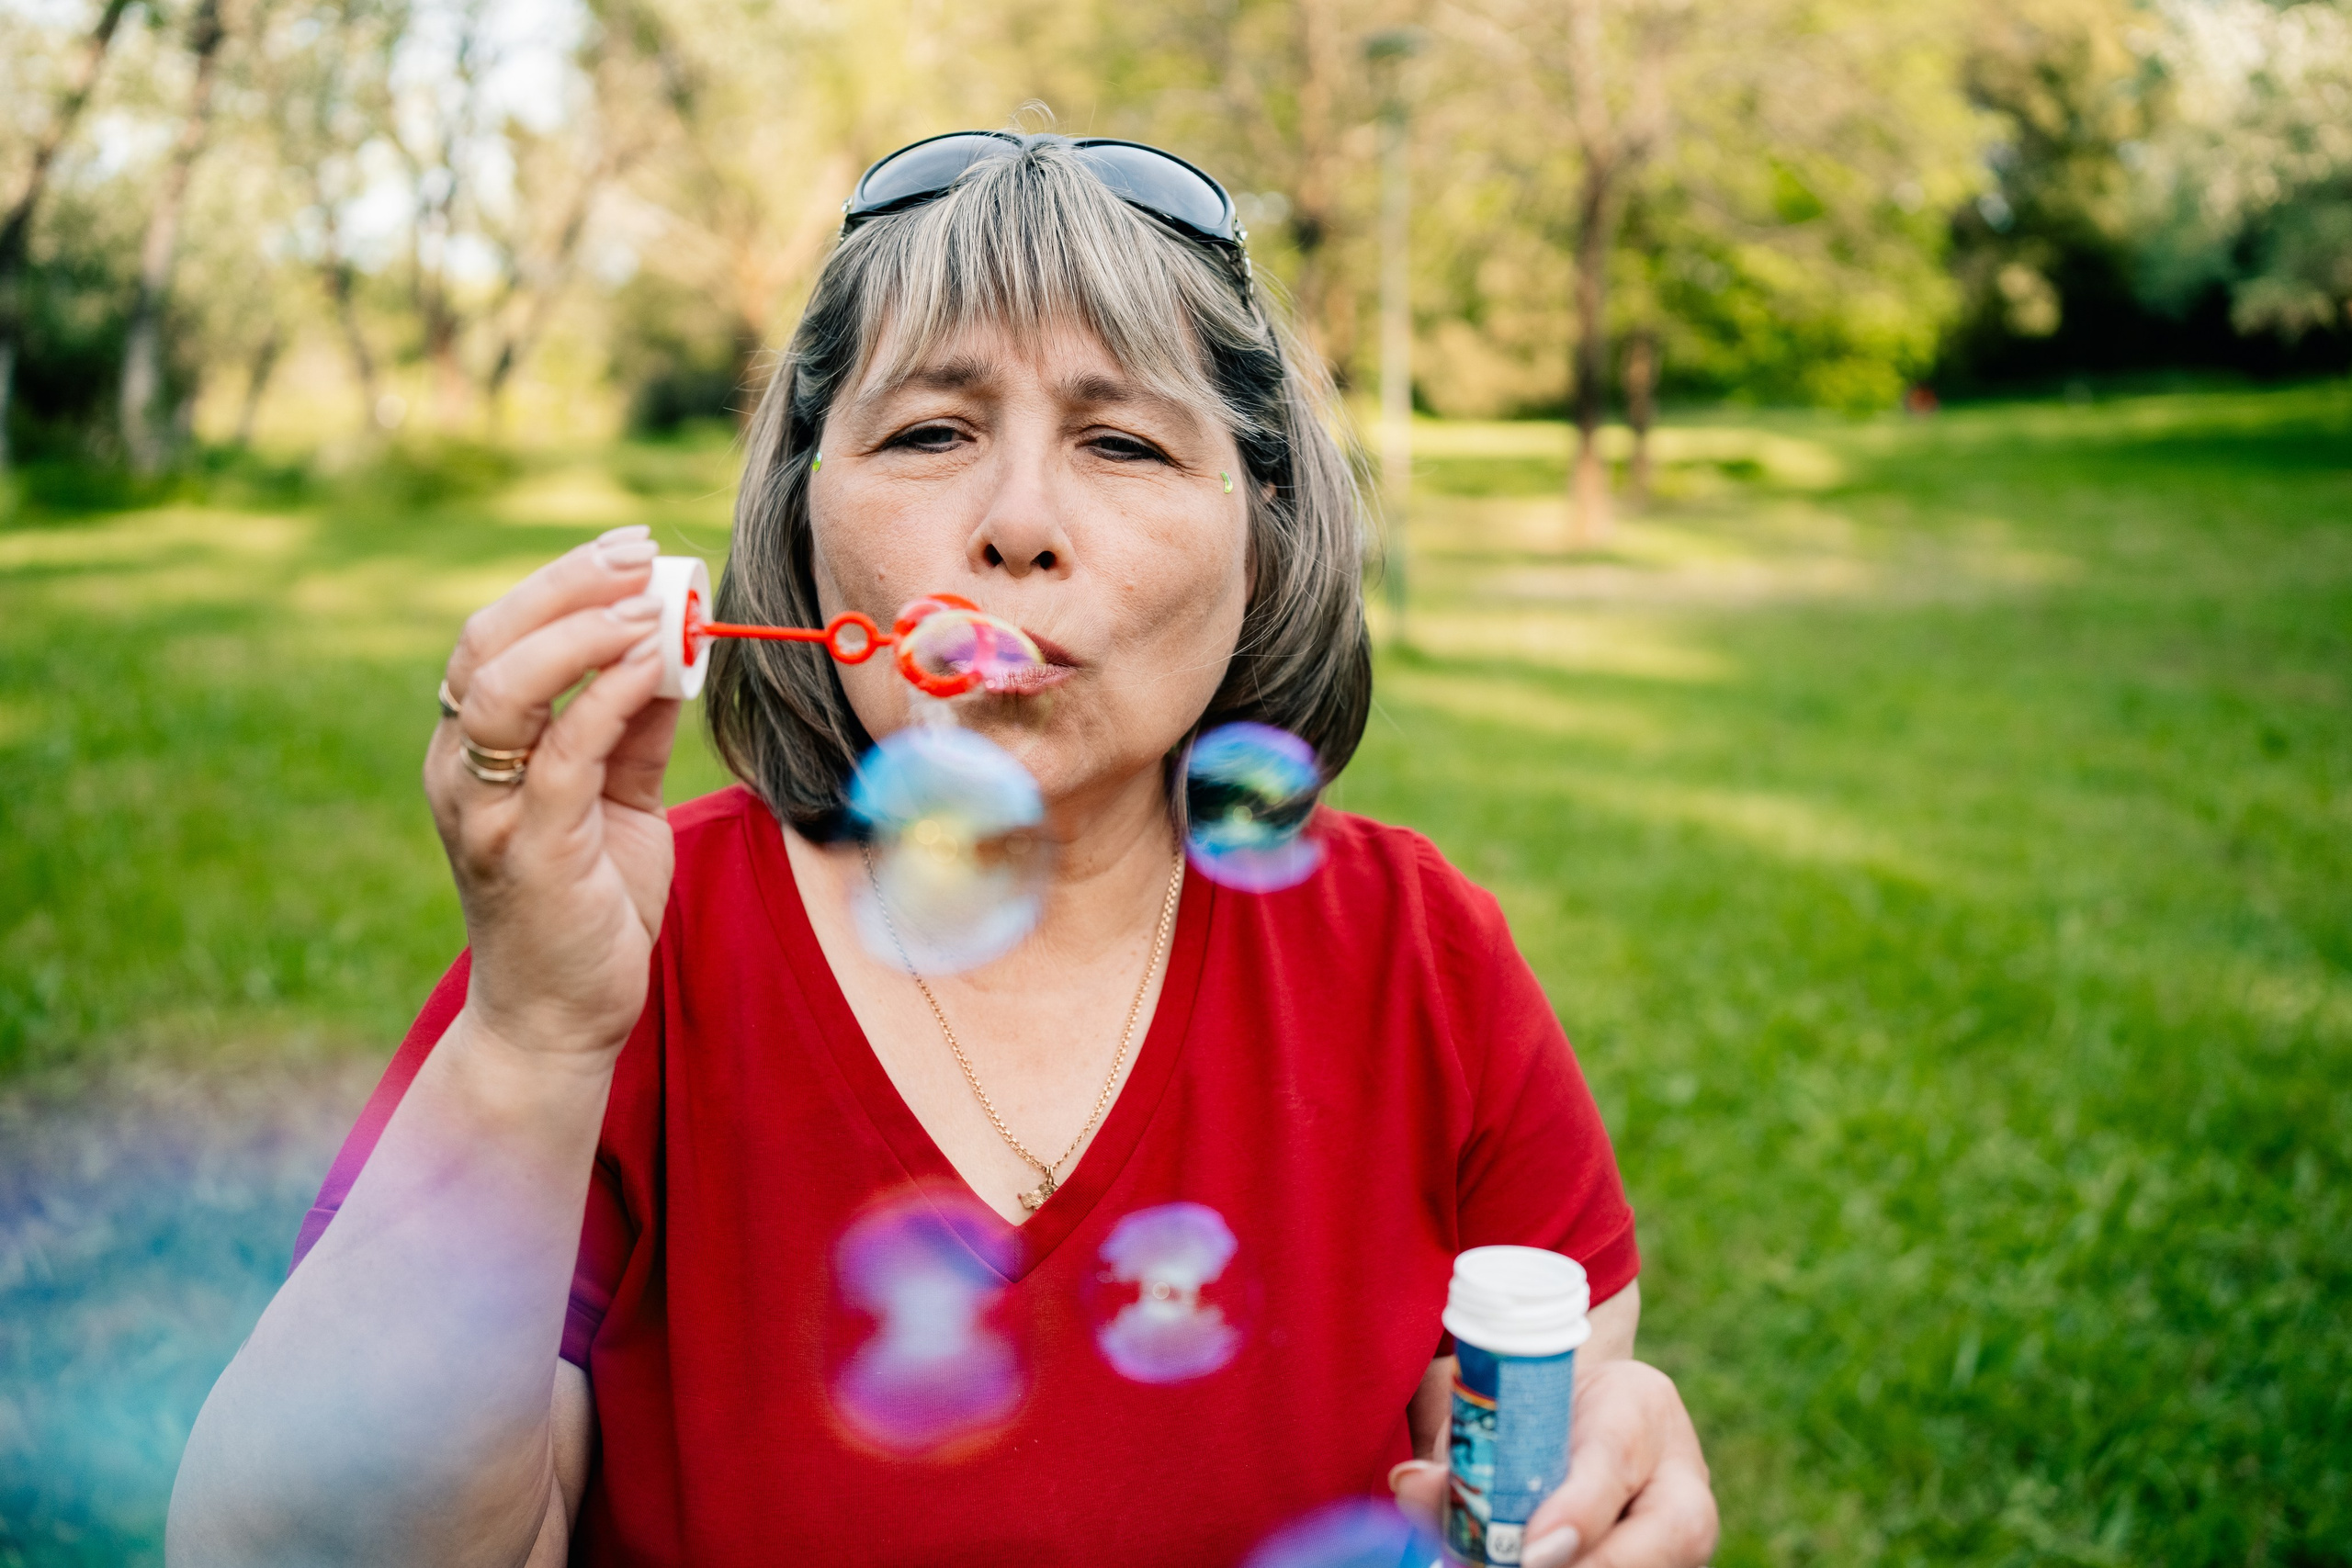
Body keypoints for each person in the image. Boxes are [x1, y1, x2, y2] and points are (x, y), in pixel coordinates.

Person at [167, 132, 1717, 1568]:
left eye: (1122, 445)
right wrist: (535, 1037)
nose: (1019, 522)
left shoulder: (1419, 961)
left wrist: (1603, 1486)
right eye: (930, 429)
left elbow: (1536, 1436)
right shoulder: (622, 956)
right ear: (804, 515)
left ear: (1265, 533)